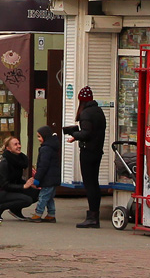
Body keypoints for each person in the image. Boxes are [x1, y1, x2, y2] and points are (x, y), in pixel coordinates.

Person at [66, 85, 107, 228]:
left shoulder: (85, 113)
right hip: (97, 151)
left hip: (88, 151)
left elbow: (86, 133)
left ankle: (92, 217)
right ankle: (95, 215)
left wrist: (74, 134)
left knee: (89, 184)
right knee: (94, 183)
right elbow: (93, 132)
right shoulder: (99, 111)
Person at [0, 135, 38, 220]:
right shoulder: (4, 163)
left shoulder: (19, 160)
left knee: (36, 194)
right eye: (15, 144)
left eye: (19, 143)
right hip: (0, 192)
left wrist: (29, 184)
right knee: (27, 200)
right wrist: (23, 186)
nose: (19, 146)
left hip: (12, 189)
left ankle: (15, 210)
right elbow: (5, 185)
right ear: (8, 148)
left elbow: (17, 179)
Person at [27, 125, 60, 222]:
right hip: (53, 178)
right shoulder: (52, 147)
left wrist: (37, 178)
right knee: (49, 198)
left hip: (47, 178)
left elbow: (43, 166)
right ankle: (51, 214)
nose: (38, 139)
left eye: (39, 136)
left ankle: (38, 214)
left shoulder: (45, 149)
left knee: (43, 197)